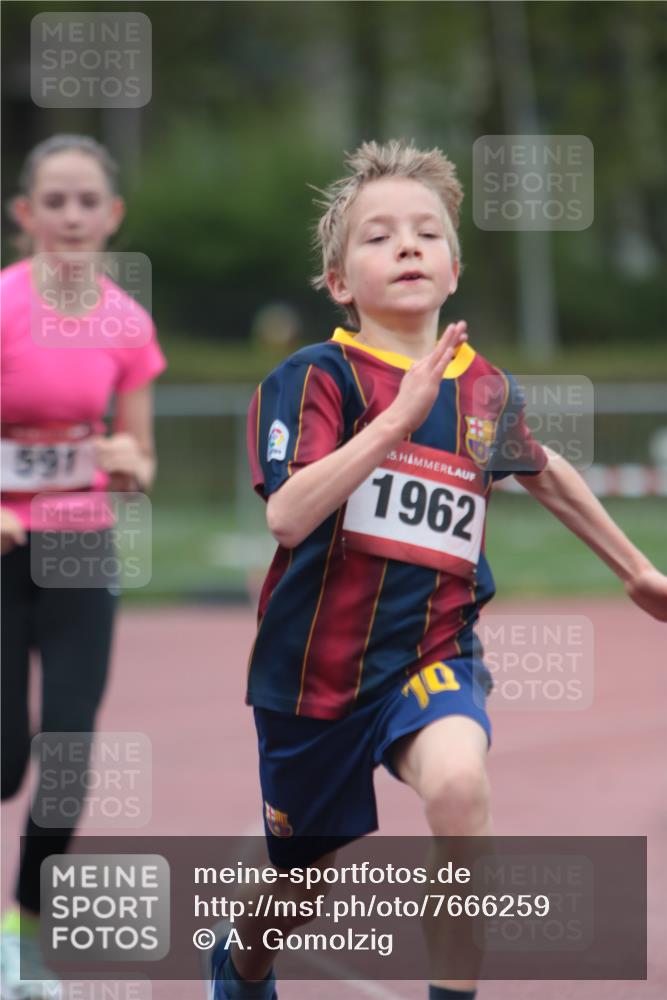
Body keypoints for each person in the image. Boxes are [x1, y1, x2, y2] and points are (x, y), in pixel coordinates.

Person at [208, 139, 667, 1000]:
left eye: (426, 233)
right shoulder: (313, 377)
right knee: (304, 880)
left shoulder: (484, 391)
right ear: (340, 281)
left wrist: (635, 569)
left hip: (431, 655)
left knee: (458, 788)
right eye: (378, 237)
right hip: (314, 678)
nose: (407, 246)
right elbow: (289, 512)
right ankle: (239, 962)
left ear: (453, 267)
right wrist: (393, 424)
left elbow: (544, 472)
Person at [0, 134, 166, 999]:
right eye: (53, 201)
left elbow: (139, 455)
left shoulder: (126, 324)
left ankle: (21, 936)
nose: (70, 216)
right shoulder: (0, 307)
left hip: (79, 544)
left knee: (66, 753)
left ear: (111, 217)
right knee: (3, 758)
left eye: (85, 202)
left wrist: (130, 464)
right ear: (25, 215)